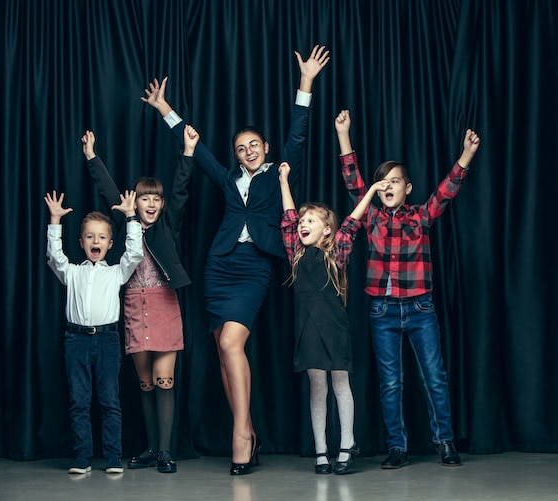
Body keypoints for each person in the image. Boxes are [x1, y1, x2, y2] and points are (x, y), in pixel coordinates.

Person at [142, 45, 330, 475]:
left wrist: (306, 83)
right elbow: (196, 146)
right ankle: (248, 431)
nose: (247, 151)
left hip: (254, 268)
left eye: (253, 145)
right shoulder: (228, 178)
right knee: (225, 353)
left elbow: (298, 136)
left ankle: (241, 435)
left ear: (264, 146)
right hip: (219, 267)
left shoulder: (279, 171)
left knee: (232, 344)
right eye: (240, 147)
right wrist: (165, 109)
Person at [336, 108, 481, 468]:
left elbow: (446, 192)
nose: (388, 186)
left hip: (420, 307)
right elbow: (353, 182)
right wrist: (344, 135)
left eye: (395, 181)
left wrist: (466, 154)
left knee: (434, 377)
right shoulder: (369, 216)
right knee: (390, 383)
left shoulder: (421, 214)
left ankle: (444, 442)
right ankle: (397, 447)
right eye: (382, 182)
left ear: (408, 187)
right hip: (382, 310)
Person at [81, 126, 197, 473]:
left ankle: (165, 451)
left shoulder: (168, 223)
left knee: (165, 380)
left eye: (155, 198)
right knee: (144, 382)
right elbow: (107, 191)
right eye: (144, 197)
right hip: (133, 305)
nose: (150, 203)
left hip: (164, 303)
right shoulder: (126, 222)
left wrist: (188, 152)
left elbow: (180, 188)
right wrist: (91, 157)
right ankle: (150, 448)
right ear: (136, 201)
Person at [279, 149, 389, 475]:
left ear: (327, 230)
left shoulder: (337, 252)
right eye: (302, 221)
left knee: (341, 384)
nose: (302, 224)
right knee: (317, 387)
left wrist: (370, 190)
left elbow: (353, 222)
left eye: (311, 220)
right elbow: (287, 217)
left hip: (334, 327)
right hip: (307, 329)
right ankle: (321, 452)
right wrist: (284, 180)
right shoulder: (296, 254)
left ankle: (346, 445)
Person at [44, 189, 143, 475]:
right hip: (75, 340)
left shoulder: (116, 273)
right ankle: (82, 457)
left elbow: (134, 253)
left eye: (101, 237)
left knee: (110, 401)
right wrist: (55, 220)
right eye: (89, 236)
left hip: (107, 340)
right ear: (82, 242)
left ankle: (113, 457)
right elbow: (54, 257)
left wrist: (131, 217)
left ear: (110, 244)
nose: (95, 241)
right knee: (79, 401)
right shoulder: (72, 272)